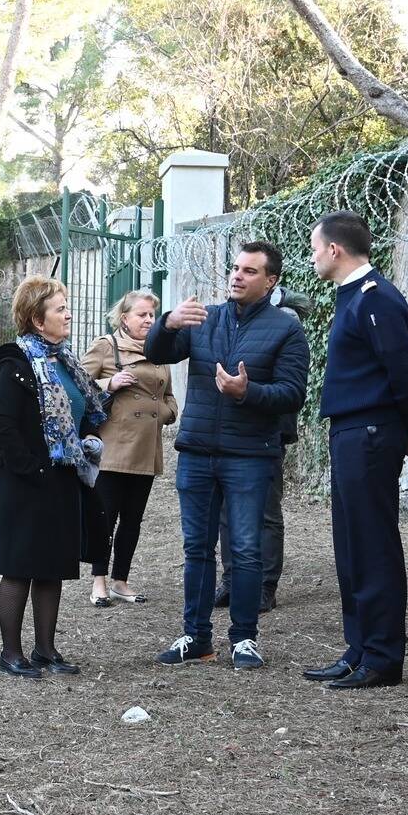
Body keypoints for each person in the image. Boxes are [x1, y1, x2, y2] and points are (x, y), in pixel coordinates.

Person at [142, 241, 310, 671]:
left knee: (247, 549)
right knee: (197, 548)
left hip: (250, 457)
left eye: (250, 271)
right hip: (197, 452)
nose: (237, 276)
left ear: (271, 281)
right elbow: (158, 352)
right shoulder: (204, 319)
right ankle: (195, 637)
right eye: (235, 268)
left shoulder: (286, 329)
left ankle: (244, 639)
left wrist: (246, 392)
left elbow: (293, 394)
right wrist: (168, 322)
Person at [301, 214, 408, 691]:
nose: (312, 255)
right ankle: (359, 647)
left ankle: (383, 655)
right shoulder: (352, 297)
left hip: (369, 433)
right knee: (351, 544)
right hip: (351, 431)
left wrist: (406, 430)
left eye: (315, 247)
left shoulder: (376, 298)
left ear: (336, 249)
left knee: (372, 543)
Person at [0, 276, 108, 680]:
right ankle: (11, 653)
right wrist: (32, 468)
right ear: (37, 319)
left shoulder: (65, 361)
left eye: (67, 306)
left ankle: (46, 650)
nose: (68, 313)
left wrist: (88, 437)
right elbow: (1, 427)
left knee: (53, 566)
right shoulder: (16, 364)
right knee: (19, 566)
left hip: (64, 476)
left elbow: (86, 412)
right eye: (60, 308)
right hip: (26, 482)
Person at [216, 286, 312, 613]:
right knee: (227, 509)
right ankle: (231, 582)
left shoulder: (286, 325)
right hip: (234, 429)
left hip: (268, 431)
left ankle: (265, 587)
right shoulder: (235, 321)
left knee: (266, 510)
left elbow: (288, 389)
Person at [83, 290, 178, 608]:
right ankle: (99, 581)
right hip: (114, 448)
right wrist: (108, 384)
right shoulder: (106, 346)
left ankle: (121, 581)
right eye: (142, 315)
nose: (149, 320)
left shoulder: (161, 350)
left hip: (146, 449)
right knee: (106, 517)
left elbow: (169, 397)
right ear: (125, 318)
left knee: (133, 519)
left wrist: (163, 414)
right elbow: (76, 381)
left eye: (153, 315)